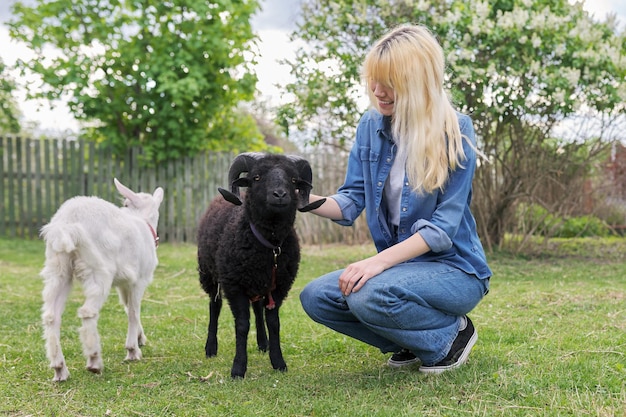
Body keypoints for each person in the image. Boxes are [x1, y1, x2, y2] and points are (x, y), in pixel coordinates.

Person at [299, 24, 492, 374]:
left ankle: (451, 336)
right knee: (318, 298)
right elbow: (350, 201)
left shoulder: (456, 130)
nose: (376, 91)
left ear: (418, 82)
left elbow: (442, 229)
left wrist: (377, 263)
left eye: (389, 82)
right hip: (401, 272)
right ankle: (411, 339)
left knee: (368, 293)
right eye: (373, 80)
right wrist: (301, 199)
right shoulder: (369, 126)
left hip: (456, 271)